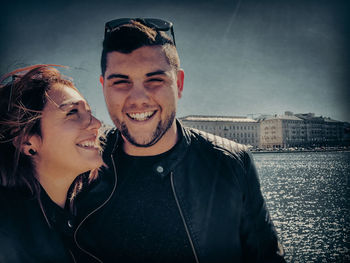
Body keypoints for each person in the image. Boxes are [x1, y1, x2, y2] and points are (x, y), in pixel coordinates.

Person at [72, 18, 285, 262]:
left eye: (155, 80)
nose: (138, 99)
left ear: (179, 84)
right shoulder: (80, 166)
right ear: (103, 88)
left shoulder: (231, 163)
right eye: (121, 82)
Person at [0, 65, 103, 262]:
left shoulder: (89, 217)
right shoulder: (7, 227)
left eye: (89, 112)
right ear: (27, 141)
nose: (96, 123)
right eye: (72, 112)